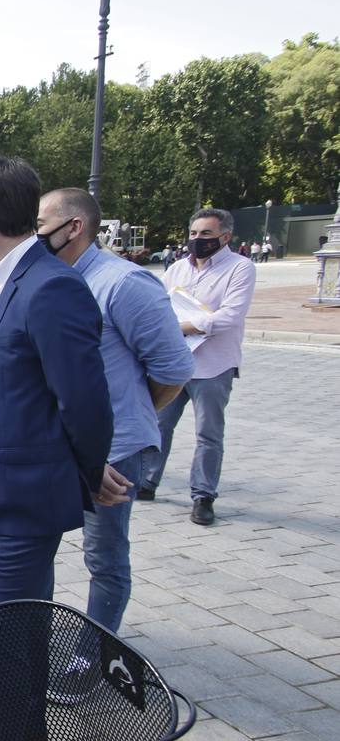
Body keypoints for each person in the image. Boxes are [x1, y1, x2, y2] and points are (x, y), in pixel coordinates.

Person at [0, 157, 113, 741]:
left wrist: (88, 475)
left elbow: (85, 402)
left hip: (22, 500)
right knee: (23, 629)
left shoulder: (50, 288)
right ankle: (26, 737)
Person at [37, 189, 194, 698]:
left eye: (42, 221)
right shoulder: (54, 279)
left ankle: (94, 653)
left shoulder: (124, 283)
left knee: (104, 553)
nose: (34, 231)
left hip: (110, 451)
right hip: (58, 444)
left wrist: (126, 417)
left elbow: (173, 369)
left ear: (75, 226)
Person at [140, 208, 256, 526]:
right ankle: (148, 481)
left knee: (208, 434)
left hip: (213, 365)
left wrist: (185, 326)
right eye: (193, 233)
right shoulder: (177, 269)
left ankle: (203, 495)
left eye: (206, 234)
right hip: (175, 363)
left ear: (225, 237)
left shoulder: (240, 268)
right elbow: (158, 306)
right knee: (158, 425)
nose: (197, 239)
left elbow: (230, 316)